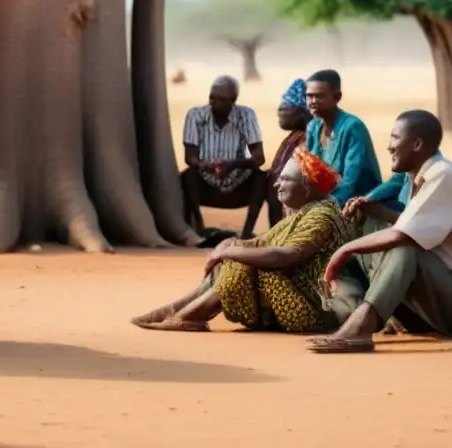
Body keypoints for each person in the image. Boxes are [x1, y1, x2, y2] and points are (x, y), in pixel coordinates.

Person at [309, 110, 452, 353]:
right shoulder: (415, 177)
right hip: (434, 304)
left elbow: (404, 235)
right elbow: (404, 224)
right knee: (361, 224)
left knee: (403, 248)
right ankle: (352, 312)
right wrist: (364, 213)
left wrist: (344, 251)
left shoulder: (442, 175)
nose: (389, 147)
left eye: (394, 138)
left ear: (417, 144)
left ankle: (361, 327)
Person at [132, 147, 351, 333]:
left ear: (308, 186)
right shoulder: (304, 210)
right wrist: (229, 245)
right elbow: (261, 243)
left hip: (312, 311)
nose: (276, 185)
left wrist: (229, 252)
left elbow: (284, 256)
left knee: (241, 261)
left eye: (284, 179)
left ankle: (189, 316)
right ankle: (177, 309)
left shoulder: (322, 216)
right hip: (291, 296)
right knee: (237, 253)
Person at [181, 75, 266, 242]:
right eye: (211, 97)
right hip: (205, 175)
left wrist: (233, 164)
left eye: (221, 99)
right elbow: (190, 156)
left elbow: (258, 158)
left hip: (237, 177)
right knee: (187, 176)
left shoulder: (246, 116)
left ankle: (247, 232)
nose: (214, 102)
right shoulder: (196, 115)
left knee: (262, 178)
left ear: (233, 100)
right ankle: (198, 227)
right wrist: (204, 165)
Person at [304, 69, 381, 206]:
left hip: (359, 203)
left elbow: (350, 180)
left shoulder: (353, 127)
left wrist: (327, 207)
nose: (313, 101)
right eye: (309, 96)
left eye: (320, 96)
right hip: (326, 201)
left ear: (337, 97)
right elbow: (309, 171)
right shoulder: (313, 127)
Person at [263, 78, 312, 229]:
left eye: (285, 109)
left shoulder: (309, 137)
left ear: (302, 112)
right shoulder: (294, 136)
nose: (280, 111)